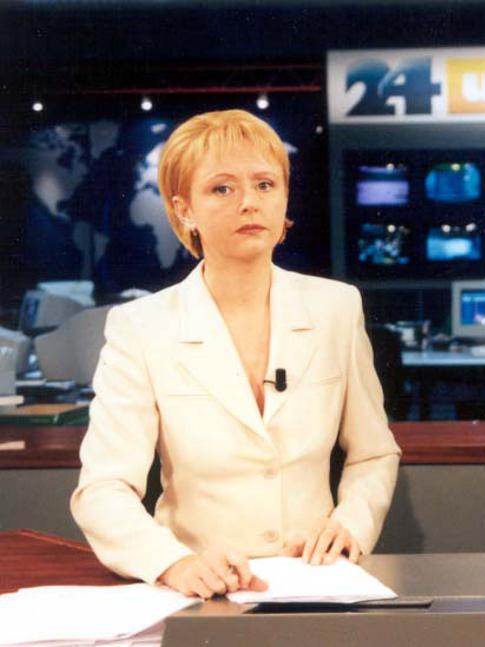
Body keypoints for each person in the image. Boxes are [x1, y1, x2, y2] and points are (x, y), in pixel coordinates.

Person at [71, 109, 401, 598]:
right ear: (184, 210)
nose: (249, 202)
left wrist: (350, 524)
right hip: (201, 589)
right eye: (222, 188)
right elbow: (103, 489)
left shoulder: (335, 308)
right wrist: (175, 564)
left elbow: (374, 453)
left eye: (265, 185)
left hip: (314, 582)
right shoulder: (141, 327)